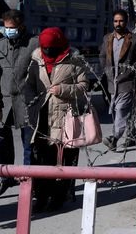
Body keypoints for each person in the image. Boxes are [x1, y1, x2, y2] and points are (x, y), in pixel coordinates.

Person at [25, 27, 90, 213]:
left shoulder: (74, 59)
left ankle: (59, 197)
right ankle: (41, 196)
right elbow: (28, 84)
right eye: (45, 48)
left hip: (65, 116)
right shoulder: (36, 59)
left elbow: (84, 86)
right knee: (41, 160)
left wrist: (63, 90)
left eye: (51, 48)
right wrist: (31, 102)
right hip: (41, 117)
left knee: (62, 159)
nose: (47, 52)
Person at [0, 9, 38, 199]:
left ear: (21, 27)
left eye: (12, 28)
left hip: (27, 102)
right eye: (6, 27)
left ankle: (28, 182)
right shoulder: (0, 45)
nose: (9, 31)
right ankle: (6, 177)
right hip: (3, 102)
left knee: (29, 146)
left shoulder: (34, 43)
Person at [98, 9, 136, 152]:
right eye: (115, 21)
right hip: (112, 83)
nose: (118, 24)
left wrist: (130, 70)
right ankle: (127, 135)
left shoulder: (135, 39)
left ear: (126, 22)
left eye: (121, 21)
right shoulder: (107, 38)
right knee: (116, 111)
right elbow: (102, 56)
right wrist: (106, 69)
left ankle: (114, 137)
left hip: (127, 82)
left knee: (121, 110)